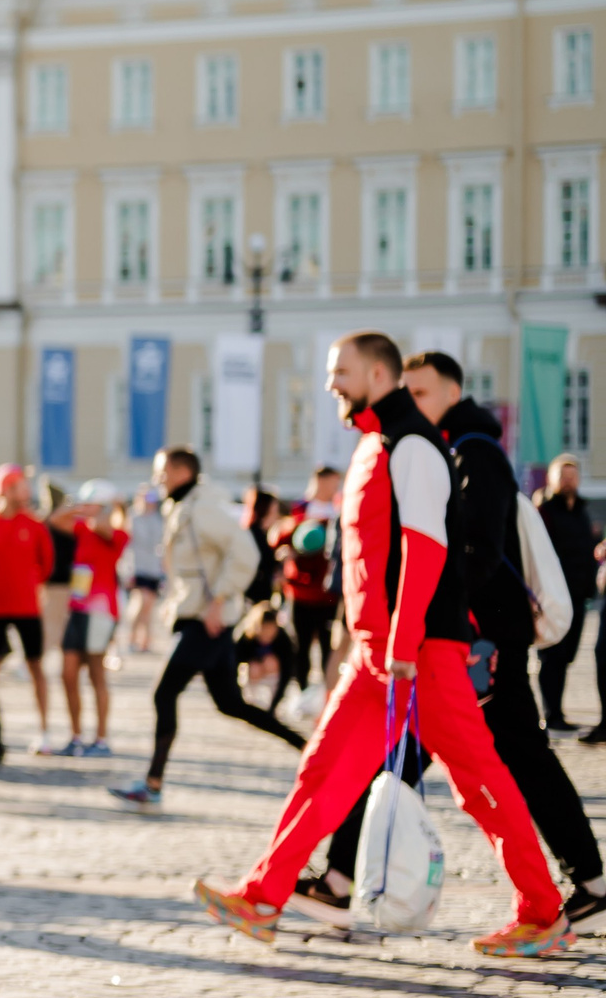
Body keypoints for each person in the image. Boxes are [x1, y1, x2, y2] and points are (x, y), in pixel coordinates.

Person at [198, 332, 568, 957]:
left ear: (377, 373)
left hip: (419, 655)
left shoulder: (412, 445)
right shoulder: (378, 443)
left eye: (339, 371)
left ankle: (543, 909)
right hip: (384, 658)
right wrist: (379, 648)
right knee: (322, 770)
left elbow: (425, 548)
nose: (330, 384)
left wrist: (401, 644)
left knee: (478, 780)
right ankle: (264, 897)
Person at [292, 356, 605, 931]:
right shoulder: (445, 446)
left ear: (452, 390)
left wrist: (434, 615)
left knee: (510, 759)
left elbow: (477, 550)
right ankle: (337, 878)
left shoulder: (471, 451)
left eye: (421, 389)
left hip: (481, 638)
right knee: (423, 755)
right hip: (467, 636)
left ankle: (583, 884)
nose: (410, 398)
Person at [106, 445, 305, 810]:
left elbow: (245, 550)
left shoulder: (202, 507)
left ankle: (152, 784)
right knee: (231, 703)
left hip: (206, 621)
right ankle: (309, 749)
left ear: (182, 472)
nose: (157, 479)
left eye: (162, 472)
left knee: (163, 694)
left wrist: (220, 599)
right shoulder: (185, 506)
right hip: (201, 616)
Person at [0, 466, 57, 755]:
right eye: (21, 484)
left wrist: (28, 584)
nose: (27, 489)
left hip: (27, 607)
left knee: (36, 667)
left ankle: (44, 732)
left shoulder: (33, 525)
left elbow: (46, 566)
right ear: (6, 488)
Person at [58, 481, 127, 756]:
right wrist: (79, 506)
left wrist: (100, 509)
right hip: (77, 608)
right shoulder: (81, 529)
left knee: (97, 673)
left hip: (100, 609)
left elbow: (104, 527)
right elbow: (54, 520)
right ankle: (75, 735)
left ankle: (101, 738)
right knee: (68, 673)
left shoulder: (117, 533)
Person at [535, 456, 596, 734]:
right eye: (563, 475)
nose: (569, 480)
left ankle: (557, 712)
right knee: (552, 656)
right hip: (552, 597)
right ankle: (551, 715)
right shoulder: (544, 510)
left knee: (567, 656)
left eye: (573, 475)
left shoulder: (582, 511)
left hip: (579, 596)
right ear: (551, 479)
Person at [276, 467, 343, 713]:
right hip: (300, 590)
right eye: (331, 483)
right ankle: (302, 693)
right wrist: (286, 550)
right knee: (300, 646)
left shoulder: (340, 508)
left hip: (328, 593)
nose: (334, 488)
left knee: (329, 647)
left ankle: (327, 698)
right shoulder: (299, 510)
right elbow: (280, 539)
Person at [124, 483, 165, 650]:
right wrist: (127, 571)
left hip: (154, 569)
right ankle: (132, 637)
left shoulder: (158, 519)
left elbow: (160, 544)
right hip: (137, 567)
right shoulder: (133, 517)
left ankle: (145, 640)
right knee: (142, 602)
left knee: (149, 607)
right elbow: (129, 546)